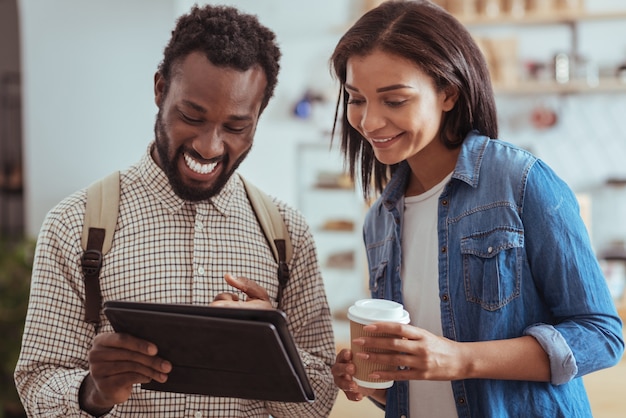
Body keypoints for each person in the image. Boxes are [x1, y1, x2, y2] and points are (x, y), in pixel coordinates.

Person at [14, 5, 337, 417]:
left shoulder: (288, 234)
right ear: (160, 88)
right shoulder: (74, 225)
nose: (209, 146)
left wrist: (272, 349)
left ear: (258, 117)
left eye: (236, 127)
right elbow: (37, 382)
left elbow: (320, 403)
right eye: (191, 116)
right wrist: (92, 392)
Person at [329, 1, 624, 417]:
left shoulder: (520, 182)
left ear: (448, 93)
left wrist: (462, 359)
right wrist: (372, 378)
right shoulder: (381, 219)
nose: (370, 121)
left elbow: (601, 335)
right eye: (356, 99)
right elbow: (425, 381)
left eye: (394, 100)